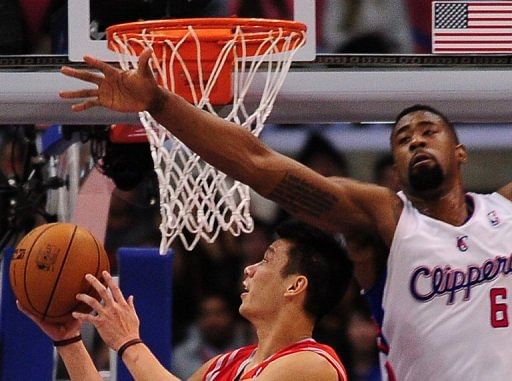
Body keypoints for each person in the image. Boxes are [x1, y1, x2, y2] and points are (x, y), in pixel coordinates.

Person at [59, 50, 512, 379]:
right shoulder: (387, 222)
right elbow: (259, 163)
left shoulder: (505, 212)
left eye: (428, 131)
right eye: (402, 138)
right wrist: (160, 104)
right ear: (393, 170)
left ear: (460, 151)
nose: (415, 140)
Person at [19, 220, 352, 380]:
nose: (249, 269)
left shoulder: (313, 364)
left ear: (295, 286)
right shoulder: (226, 364)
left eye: (266, 259)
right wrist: (69, 340)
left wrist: (129, 342)